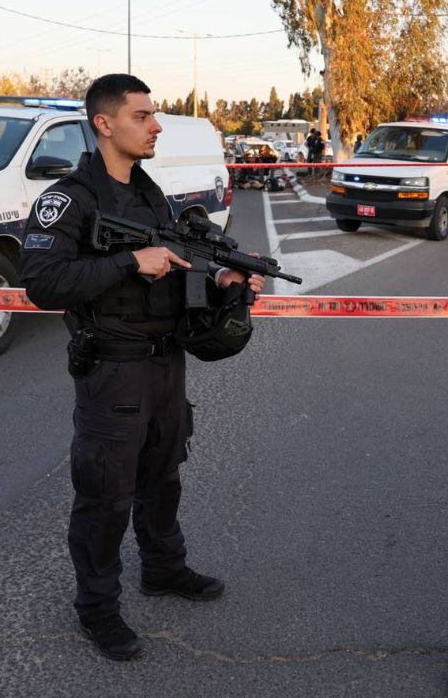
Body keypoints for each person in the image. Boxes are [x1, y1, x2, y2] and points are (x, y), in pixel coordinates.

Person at [19, 74, 264, 662]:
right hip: (113, 368)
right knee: (106, 495)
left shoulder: (151, 194)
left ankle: (163, 568)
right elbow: (42, 283)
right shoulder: (70, 198)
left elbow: (174, 267)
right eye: (142, 116)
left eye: (154, 116)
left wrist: (224, 279)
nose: (156, 126)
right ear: (104, 123)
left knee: (163, 476)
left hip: (164, 364)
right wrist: (131, 260)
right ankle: (98, 609)